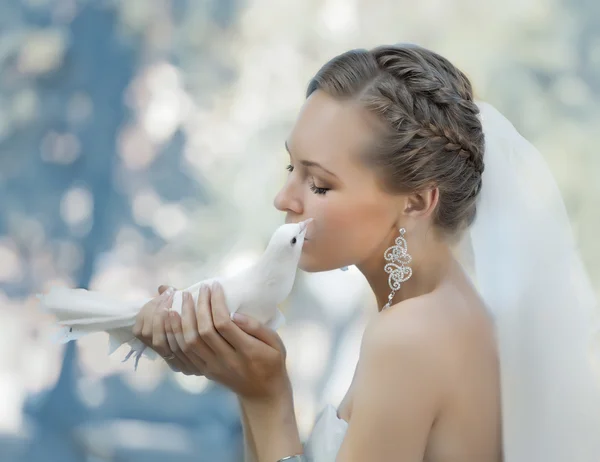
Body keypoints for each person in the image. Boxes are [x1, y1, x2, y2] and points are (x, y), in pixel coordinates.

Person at [132, 44, 600, 461]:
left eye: (318, 184)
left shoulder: (410, 335)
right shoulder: (444, 311)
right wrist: (244, 375)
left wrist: (266, 395)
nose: (284, 198)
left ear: (416, 201)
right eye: (290, 166)